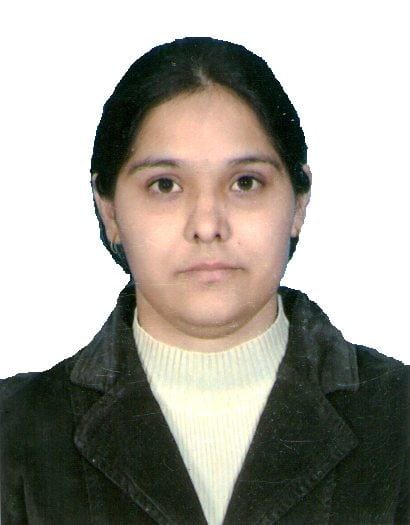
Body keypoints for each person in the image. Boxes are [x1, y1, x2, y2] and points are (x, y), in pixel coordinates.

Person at [0, 37, 408, 525]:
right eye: (165, 185)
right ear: (109, 210)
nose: (208, 225)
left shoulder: (399, 417)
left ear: (299, 203)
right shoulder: (14, 433)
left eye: (245, 183)